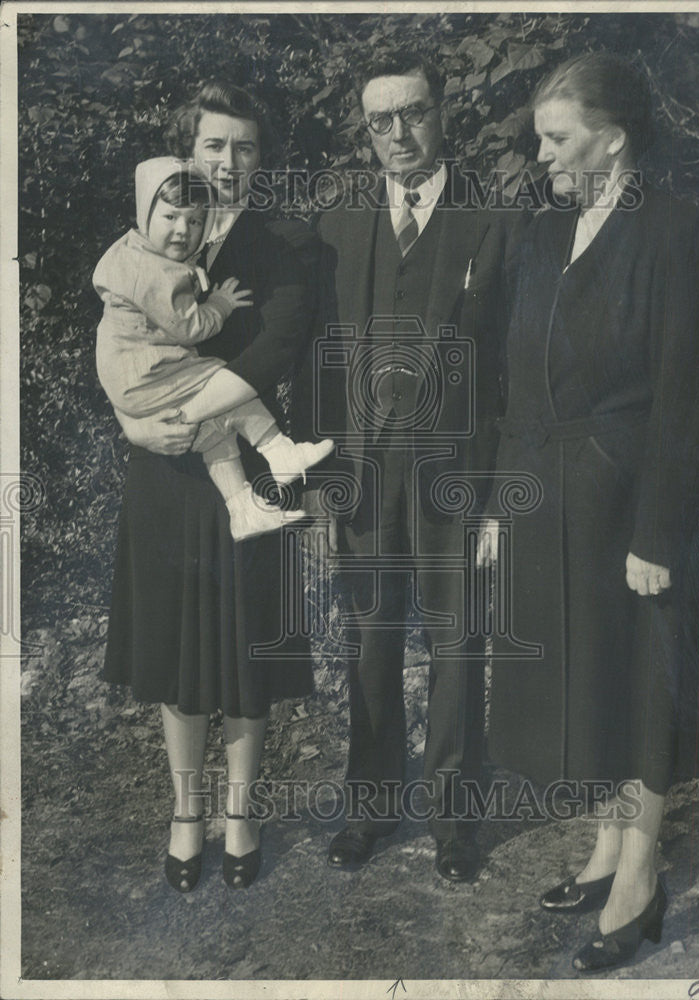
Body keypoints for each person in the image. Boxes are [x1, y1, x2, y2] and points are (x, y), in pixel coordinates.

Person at [477, 52, 699, 970]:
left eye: (557, 138)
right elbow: (517, 380)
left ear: (612, 138)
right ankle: (603, 846)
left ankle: (641, 875)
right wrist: (502, 503)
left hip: (629, 503)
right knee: (587, 683)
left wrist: (659, 531)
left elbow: (688, 395)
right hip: (549, 499)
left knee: (637, 683)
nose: (541, 156)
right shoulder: (544, 234)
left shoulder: (680, 234)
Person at [298, 49, 513, 881]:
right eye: (380, 121)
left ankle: (456, 821)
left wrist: (494, 498)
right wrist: (320, 484)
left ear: (441, 111)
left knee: (458, 642)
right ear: (365, 131)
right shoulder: (337, 228)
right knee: (368, 640)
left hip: (456, 474)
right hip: (361, 471)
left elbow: (509, 368)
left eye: (413, 113)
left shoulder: (495, 221)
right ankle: (372, 808)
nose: (398, 133)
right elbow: (315, 363)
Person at [102, 81, 321, 892]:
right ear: (186, 154)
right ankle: (185, 811)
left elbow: (271, 357)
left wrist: (181, 415)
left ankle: (241, 812)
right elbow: (121, 349)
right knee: (177, 648)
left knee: (244, 648)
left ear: (263, 158)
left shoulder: (290, 246)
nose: (228, 163)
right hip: (164, 470)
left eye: (245, 147)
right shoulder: (152, 237)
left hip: (244, 469)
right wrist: (133, 425)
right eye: (214, 146)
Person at [94, 156, 334, 540]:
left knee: (216, 431)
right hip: (148, 374)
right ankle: (279, 450)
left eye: (193, 221)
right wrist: (219, 306)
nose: (181, 231)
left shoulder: (134, 254)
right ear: (145, 214)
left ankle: (241, 508)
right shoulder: (149, 270)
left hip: (133, 380)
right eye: (170, 218)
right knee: (226, 381)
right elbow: (189, 326)